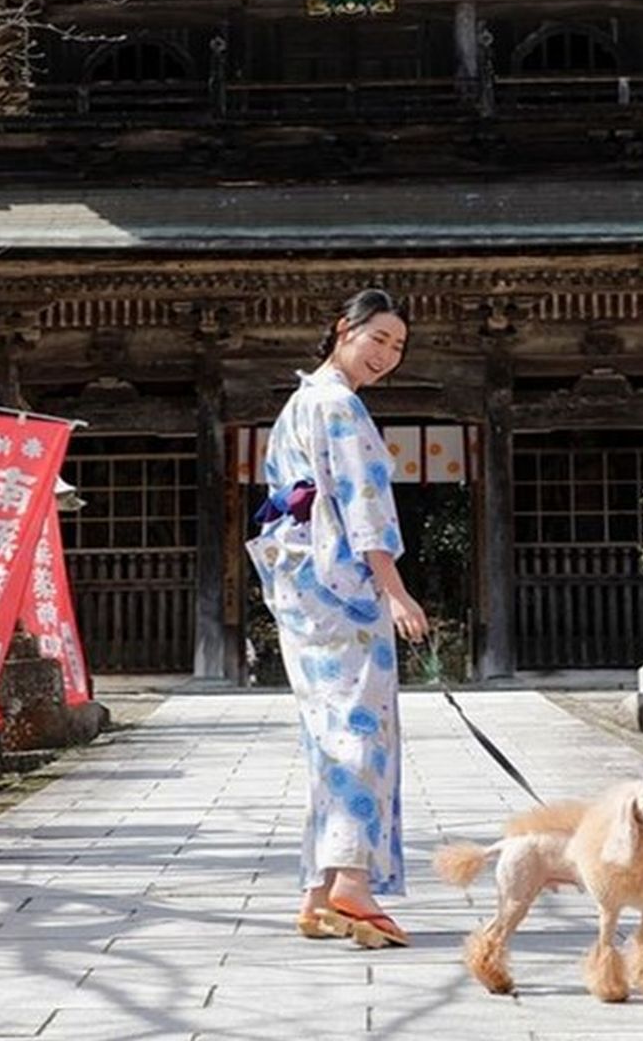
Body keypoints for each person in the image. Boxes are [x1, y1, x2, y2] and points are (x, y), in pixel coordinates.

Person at [247, 287, 430, 949]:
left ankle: (318, 892)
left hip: (300, 588)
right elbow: (361, 504)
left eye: (398, 347)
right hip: (343, 588)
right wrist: (397, 590)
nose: (387, 355)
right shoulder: (339, 406)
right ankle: (353, 880)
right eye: (377, 338)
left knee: (328, 734)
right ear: (342, 330)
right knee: (360, 729)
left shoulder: (300, 404)